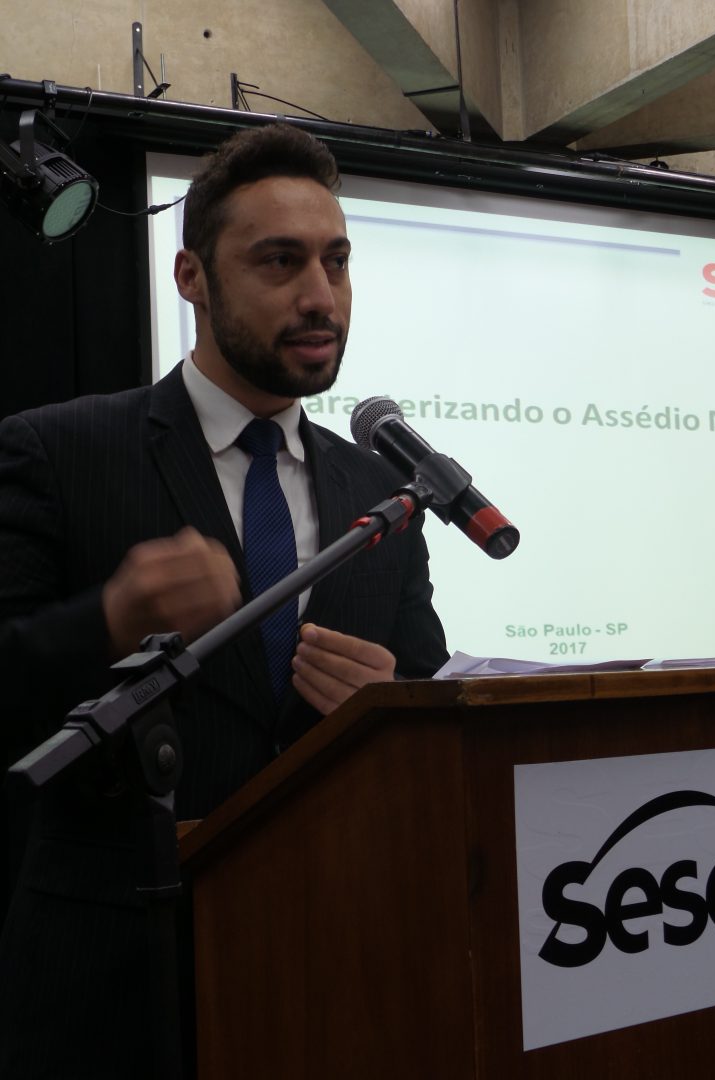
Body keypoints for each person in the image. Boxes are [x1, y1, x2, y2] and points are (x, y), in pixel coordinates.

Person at [0, 122, 447, 1079]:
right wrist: (109, 620)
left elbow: (425, 687)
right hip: (115, 990)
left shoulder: (382, 491)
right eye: (280, 262)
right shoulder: (58, 451)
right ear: (191, 277)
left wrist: (396, 705)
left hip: (335, 973)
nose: (320, 296)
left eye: (336, 262)